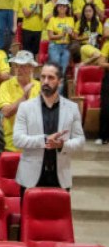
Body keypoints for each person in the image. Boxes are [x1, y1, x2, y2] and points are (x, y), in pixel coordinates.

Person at [13, 63, 85, 191]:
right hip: (30, 177)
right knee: (29, 212)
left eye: (51, 78)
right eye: (43, 77)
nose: (46, 81)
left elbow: (80, 142)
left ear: (60, 81)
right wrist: (45, 140)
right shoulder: (25, 107)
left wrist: (62, 145)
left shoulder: (72, 108)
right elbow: (18, 139)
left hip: (60, 177)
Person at [0, 51, 41, 152]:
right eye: (17, 66)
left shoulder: (40, 86)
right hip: (11, 144)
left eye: (23, 66)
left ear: (32, 68)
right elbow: (6, 112)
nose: (19, 69)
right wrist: (24, 97)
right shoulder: (6, 85)